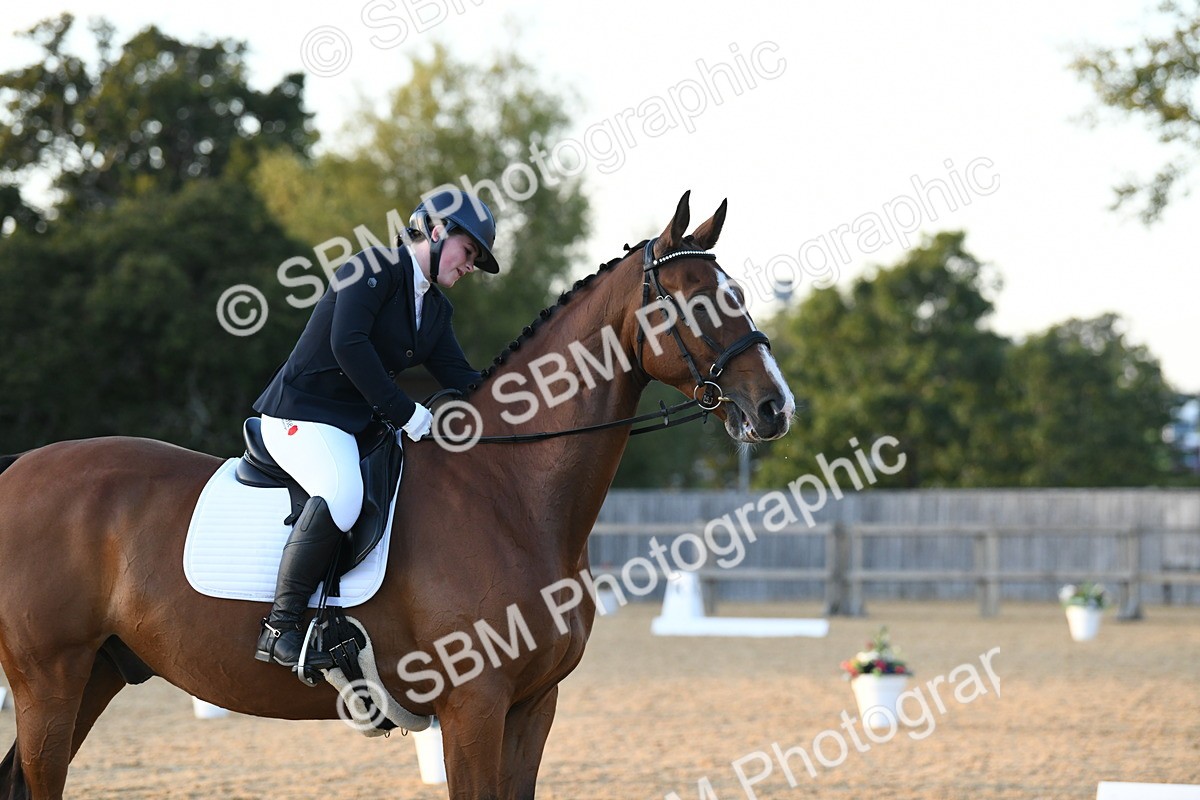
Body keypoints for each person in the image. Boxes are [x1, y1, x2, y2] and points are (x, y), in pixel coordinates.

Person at [251, 187, 499, 669]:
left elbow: (466, 380)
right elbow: (348, 343)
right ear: (437, 229)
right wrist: (405, 411)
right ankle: (279, 627)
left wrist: (528, 392)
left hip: (353, 426)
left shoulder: (436, 312)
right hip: (301, 413)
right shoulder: (372, 266)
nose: (470, 266)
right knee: (342, 493)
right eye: (469, 252)